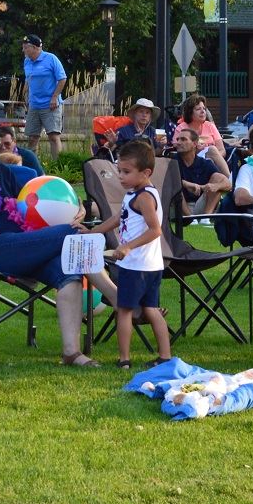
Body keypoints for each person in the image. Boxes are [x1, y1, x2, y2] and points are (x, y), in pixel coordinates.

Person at [0, 116, 117, 368]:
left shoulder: (2, 172)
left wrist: (75, 209)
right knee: (73, 234)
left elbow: (42, 196)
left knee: (69, 273)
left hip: (24, 245)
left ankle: (72, 353)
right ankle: (119, 298)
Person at [85, 139, 171, 369]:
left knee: (123, 310)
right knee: (151, 310)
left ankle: (124, 359)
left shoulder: (144, 196)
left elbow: (155, 230)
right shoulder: (133, 193)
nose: (121, 177)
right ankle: (165, 357)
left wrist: (127, 247)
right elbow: (117, 218)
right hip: (148, 265)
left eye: (126, 172)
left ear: (146, 172)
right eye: (119, 171)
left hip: (137, 265)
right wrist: (93, 231)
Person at [20, 34, 65, 160]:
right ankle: (32, 166)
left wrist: (54, 97)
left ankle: (58, 167)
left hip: (50, 105)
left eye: (25, 47)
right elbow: (28, 81)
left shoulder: (51, 59)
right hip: (34, 105)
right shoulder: (27, 61)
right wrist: (27, 98)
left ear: (34, 47)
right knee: (32, 137)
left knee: (53, 136)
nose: (23, 50)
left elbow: (62, 79)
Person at [172, 126, 230, 218]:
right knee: (175, 187)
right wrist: (187, 184)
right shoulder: (171, 161)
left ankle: (206, 218)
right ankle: (189, 218)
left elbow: (228, 184)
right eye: (178, 139)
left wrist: (214, 186)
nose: (178, 143)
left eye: (183, 139)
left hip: (199, 205)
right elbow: (165, 180)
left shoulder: (204, 163)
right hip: (177, 207)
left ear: (194, 144)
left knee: (218, 181)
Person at [175, 94, 226, 161]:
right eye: (198, 109)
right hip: (192, 162)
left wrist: (212, 158)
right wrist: (195, 149)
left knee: (212, 150)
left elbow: (222, 150)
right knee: (212, 149)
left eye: (204, 109)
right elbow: (178, 149)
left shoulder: (210, 126)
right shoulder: (181, 128)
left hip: (212, 162)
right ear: (190, 112)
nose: (203, 112)